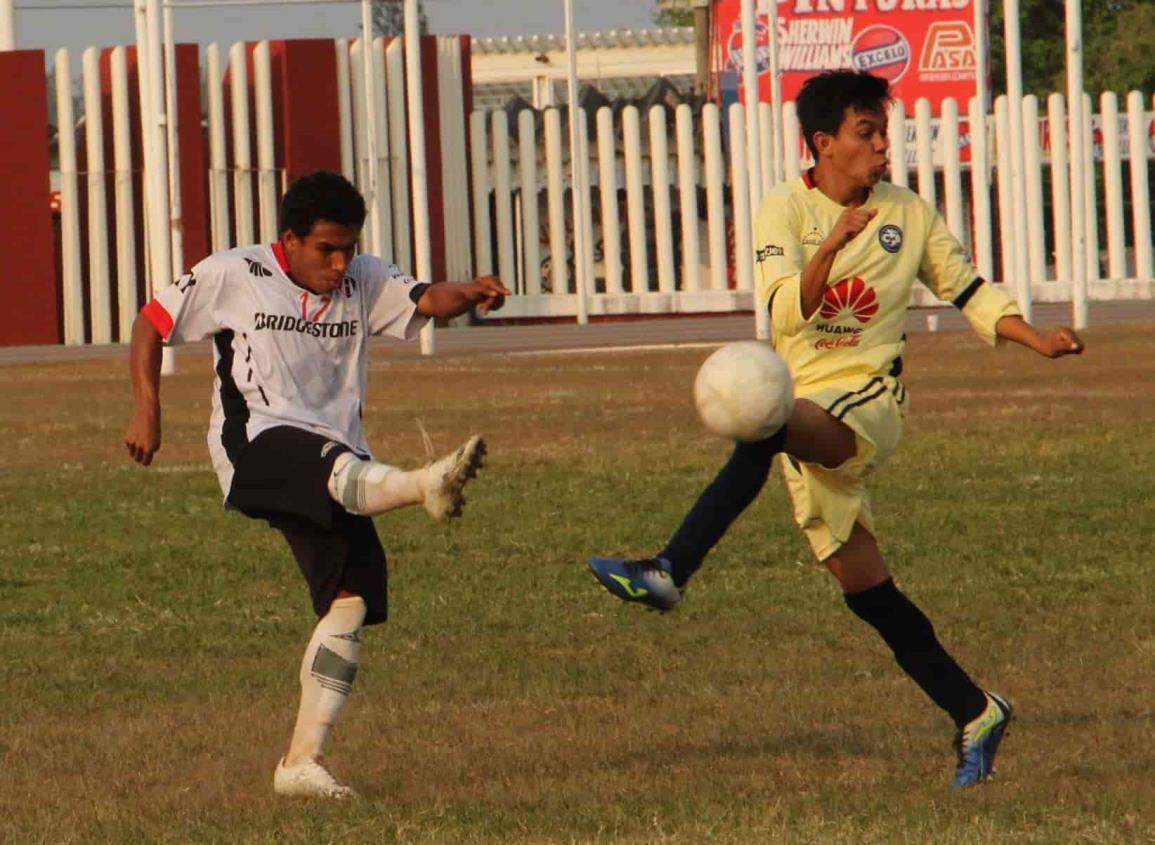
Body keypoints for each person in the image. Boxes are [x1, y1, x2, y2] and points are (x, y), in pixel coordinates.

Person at [588, 70, 1084, 788]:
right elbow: (786, 312)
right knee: (865, 590)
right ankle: (976, 710)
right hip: (801, 407)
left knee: (762, 420)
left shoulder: (907, 212)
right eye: (866, 132)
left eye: (883, 131)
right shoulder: (781, 211)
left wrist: (1032, 338)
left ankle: (669, 568)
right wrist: (831, 243)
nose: (883, 146)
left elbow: (965, 286)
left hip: (866, 400)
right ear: (822, 143)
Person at [125, 170, 512, 799]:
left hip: (343, 463)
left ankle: (301, 762)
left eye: (348, 249)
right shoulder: (233, 273)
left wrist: (470, 292)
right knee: (332, 466)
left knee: (351, 599)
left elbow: (425, 298)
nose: (340, 264)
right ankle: (424, 485)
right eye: (326, 249)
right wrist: (148, 407)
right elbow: (150, 323)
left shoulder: (364, 278)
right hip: (256, 445)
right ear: (290, 241)